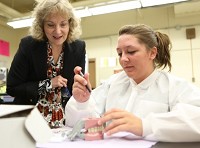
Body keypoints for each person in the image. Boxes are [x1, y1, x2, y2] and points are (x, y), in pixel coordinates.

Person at [65, 24, 200, 142]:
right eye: (119, 53)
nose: (123, 59)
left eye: (131, 51)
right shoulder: (113, 84)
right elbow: (80, 126)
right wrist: (82, 103)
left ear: (152, 53)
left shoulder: (174, 87)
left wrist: (144, 126)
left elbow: (196, 121)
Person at [6, 0, 86, 128]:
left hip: (64, 121)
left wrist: (82, 90)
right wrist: (48, 84)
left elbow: (74, 89)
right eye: (50, 25)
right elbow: (12, 87)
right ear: (41, 25)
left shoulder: (78, 47)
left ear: (70, 24)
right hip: (30, 121)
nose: (58, 31)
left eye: (63, 24)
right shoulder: (28, 46)